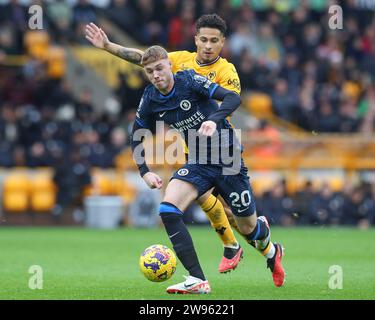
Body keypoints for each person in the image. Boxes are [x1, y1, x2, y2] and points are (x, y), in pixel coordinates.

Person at [85, 14, 245, 274]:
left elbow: (228, 103)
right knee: (202, 199)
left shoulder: (226, 71)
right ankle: (229, 247)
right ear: (196, 39)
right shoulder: (179, 60)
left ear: (222, 43)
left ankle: (266, 245)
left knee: (240, 217)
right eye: (203, 39)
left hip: (222, 144)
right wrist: (108, 46)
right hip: (193, 149)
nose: (207, 46)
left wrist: (208, 116)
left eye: (213, 41)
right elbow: (145, 59)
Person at [130, 45, 285, 294]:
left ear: (170, 65)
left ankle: (270, 245)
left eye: (159, 68)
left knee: (247, 227)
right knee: (168, 209)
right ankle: (197, 279)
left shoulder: (189, 80)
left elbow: (233, 98)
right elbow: (137, 134)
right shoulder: (150, 97)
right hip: (199, 162)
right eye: (149, 71)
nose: (155, 74)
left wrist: (213, 119)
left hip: (228, 159)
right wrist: (144, 171)